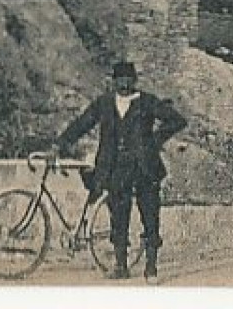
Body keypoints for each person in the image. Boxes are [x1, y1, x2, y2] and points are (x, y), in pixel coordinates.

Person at [53, 60, 187, 283]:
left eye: (128, 79)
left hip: (145, 167)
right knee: (118, 215)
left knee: (150, 215)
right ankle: (121, 265)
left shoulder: (147, 102)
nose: (124, 84)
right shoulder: (104, 103)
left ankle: (151, 267)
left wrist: (153, 140)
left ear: (135, 81)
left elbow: (176, 120)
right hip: (115, 168)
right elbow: (82, 123)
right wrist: (61, 143)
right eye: (120, 79)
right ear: (113, 81)